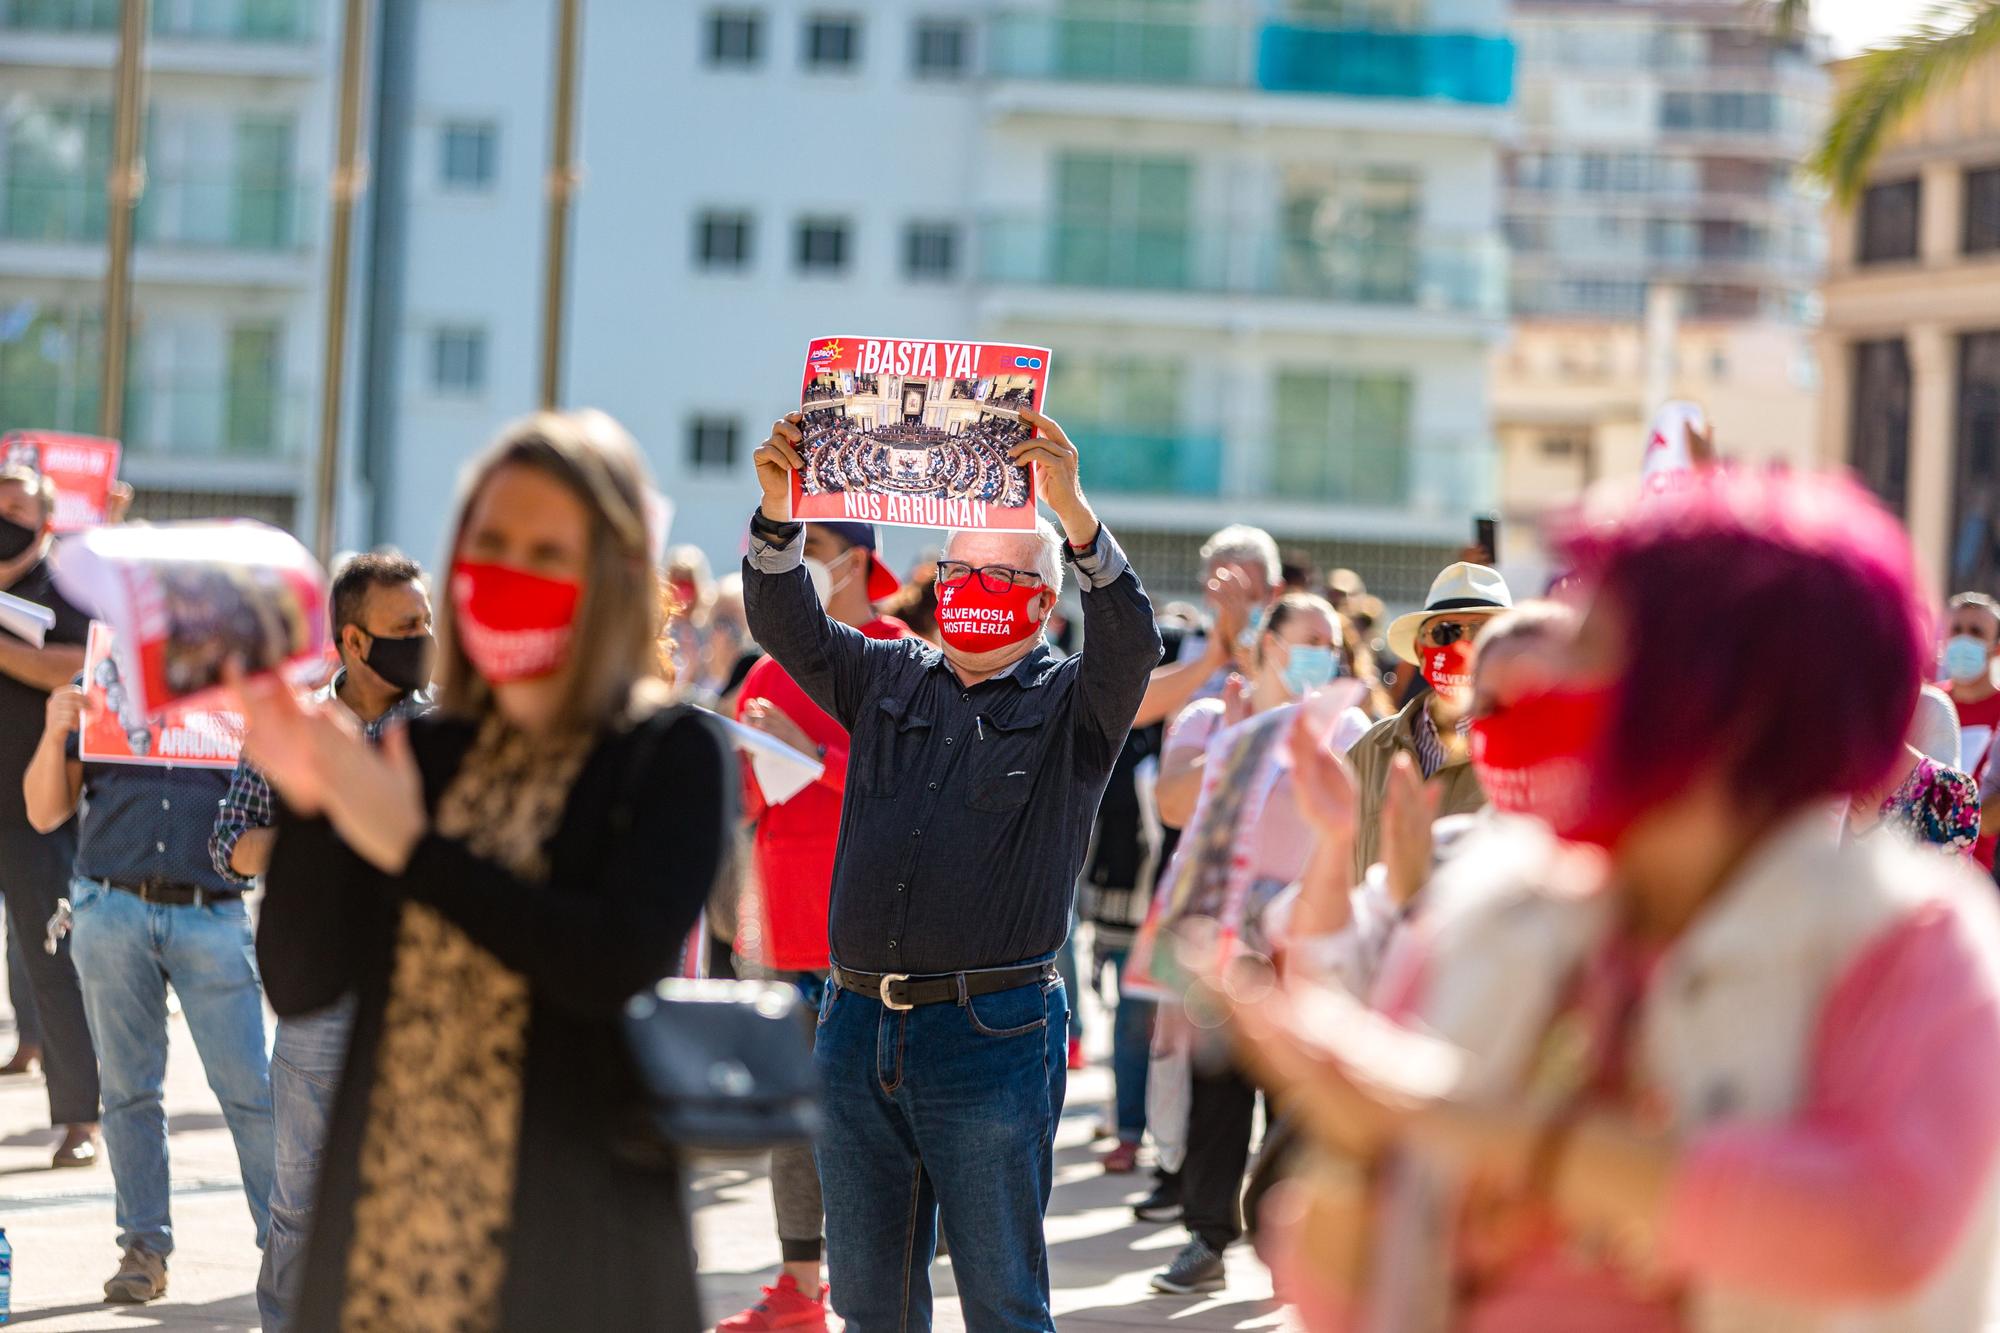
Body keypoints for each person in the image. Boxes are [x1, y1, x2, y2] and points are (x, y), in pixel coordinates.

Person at [1233, 468, 2000, 1330]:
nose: (1553, 689)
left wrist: (1492, 1132)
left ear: (1733, 699)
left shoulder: (1908, 946)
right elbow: (1353, 1297)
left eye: (1594, 652)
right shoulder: (1496, 915)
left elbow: (1880, 1227)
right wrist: (1358, 1159)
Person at [240, 410, 735, 1332]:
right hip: (389, 1242)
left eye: (547, 549)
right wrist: (310, 796)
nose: (512, 567)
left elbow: (607, 961)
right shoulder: (425, 751)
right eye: (492, 540)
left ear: (614, 571)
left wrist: (416, 853)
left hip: (574, 1252)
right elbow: (302, 977)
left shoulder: (665, 754)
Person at [743, 408, 1158, 1332]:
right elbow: (784, 619)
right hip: (854, 1028)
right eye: (959, 570)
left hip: (991, 1034)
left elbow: (1132, 642)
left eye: (1000, 575)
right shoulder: (889, 675)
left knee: (1002, 1297)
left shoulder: (1072, 705)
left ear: (1044, 603)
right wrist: (779, 514)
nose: (973, 588)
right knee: (870, 1301)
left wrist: (1074, 514)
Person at [210, 550, 434, 1332]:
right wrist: (331, 818)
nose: (423, 638)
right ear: (353, 639)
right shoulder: (294, 728)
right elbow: (229, 845)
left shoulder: (444, 732)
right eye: (405, 626)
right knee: (300, 1200)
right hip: (317, 1006)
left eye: (427, 623)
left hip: (424, 1002)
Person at [23, 661, 275, 1303]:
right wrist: (56, 733)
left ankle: (287, 1252)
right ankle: (143, 1249)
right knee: (130, 1091)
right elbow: (45, 812)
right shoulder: (105, 684)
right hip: (112, 908)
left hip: (212, 911)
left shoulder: (237, 691)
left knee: (252, 1089)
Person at [720, 521, 907, 1333]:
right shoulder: (767, 667)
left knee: (875, 1120)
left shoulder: (904, 657)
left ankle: (887, 1289)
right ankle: (801, 1283)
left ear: (857, 559)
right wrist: (765, 764)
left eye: (814, 548)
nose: (798, 566)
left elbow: (908, 789)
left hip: (870, 937)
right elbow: (745, 801)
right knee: (793, 1118)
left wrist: (812, 758)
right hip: (786, 929)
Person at [1146, 593, 1344, 1296]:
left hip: (1309, 941)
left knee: (1299, 1103)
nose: (1324, 651)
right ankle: (1206, 1235)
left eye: (1332, 640)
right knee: (1217, 1092)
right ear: (1266, 641)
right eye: (1308, 636)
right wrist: (1237, 742)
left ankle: (1286, 1246)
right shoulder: (1207, 717)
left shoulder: (1347, 726)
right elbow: (1172, 805)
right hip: (1220, 939)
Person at [0, 467, 99, 1167]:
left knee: (51, 958)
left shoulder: (65, 589)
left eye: (14, 504)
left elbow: (78, 666)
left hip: (33, 814)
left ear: (45, 517)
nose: (3, 513)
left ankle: (78, 1120)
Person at [1347, 561, 1513, 876]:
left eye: (1481, 632)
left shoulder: (1531, 753)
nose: (1462, 646)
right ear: (1421, 652)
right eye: (1445, 632)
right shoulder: (1368, 751)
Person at [1944, 593, 2000, 870]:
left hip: (1982, 877)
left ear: (1996, 648)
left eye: (1976, 632)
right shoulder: (1922, 704)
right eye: (1956, 630)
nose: (1963, 640)